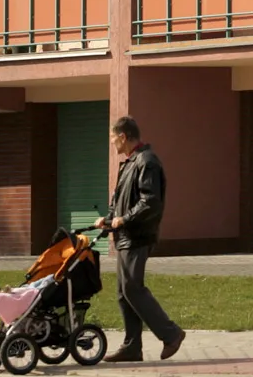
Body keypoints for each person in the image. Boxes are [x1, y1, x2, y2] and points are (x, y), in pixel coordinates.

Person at [95, 116, 186, 363]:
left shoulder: (147, 162)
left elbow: (150, 202)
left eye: (113, 138)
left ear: (123, 137)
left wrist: (124, 220)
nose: (112, 143)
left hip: (138, 236)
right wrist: (108, 219)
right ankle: (132, 347)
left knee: (133, 287)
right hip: (126, 236)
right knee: (124, 293)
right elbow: (120, 202)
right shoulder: (129, 164)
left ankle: (171, 334)